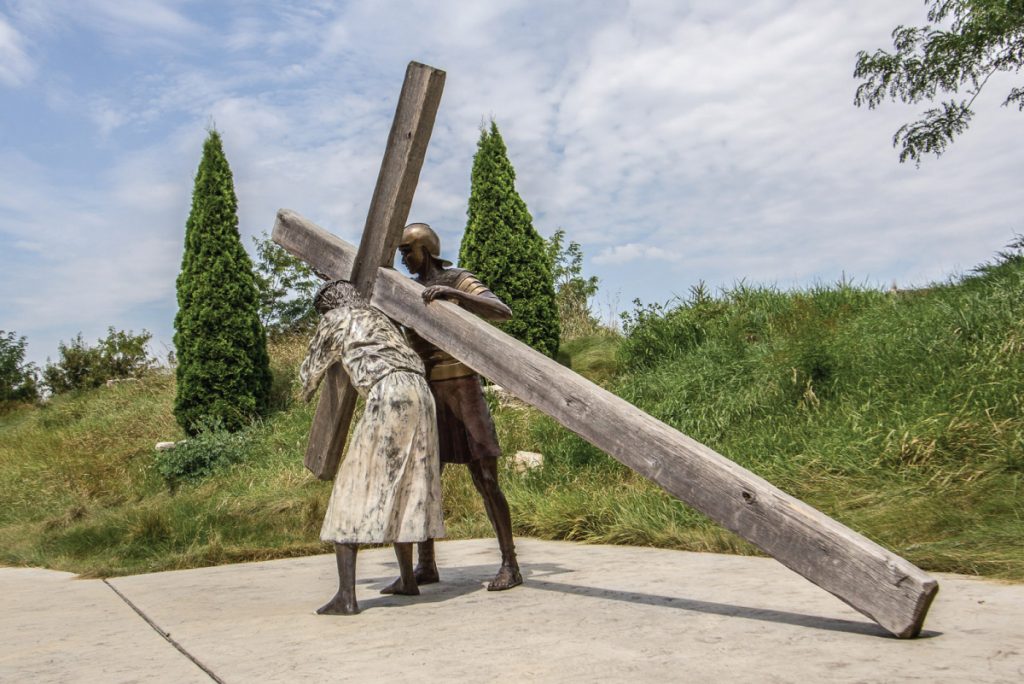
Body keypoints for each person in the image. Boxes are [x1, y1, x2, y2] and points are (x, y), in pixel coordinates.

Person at [299, 280, 445, 615]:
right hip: (422, 394)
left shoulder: (336, 318)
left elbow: (310, 372)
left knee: (353, 487)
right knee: (407, 484)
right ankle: (407, 579)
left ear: (329, 304)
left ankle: (346, 596)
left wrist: (305, 387)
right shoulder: (383, 318)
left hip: (388, 392)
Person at [393, 222, 522, 591]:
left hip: (463, 386)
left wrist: (457, 297)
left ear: (427, 251)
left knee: (485, 477)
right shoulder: (403, 290)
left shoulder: (456, 278)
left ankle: (510, 564)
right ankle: (427, 565)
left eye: (408, 252)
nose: (404, 259)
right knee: (423, 480)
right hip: (426, 390)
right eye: (401, 253)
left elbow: (500, 310)